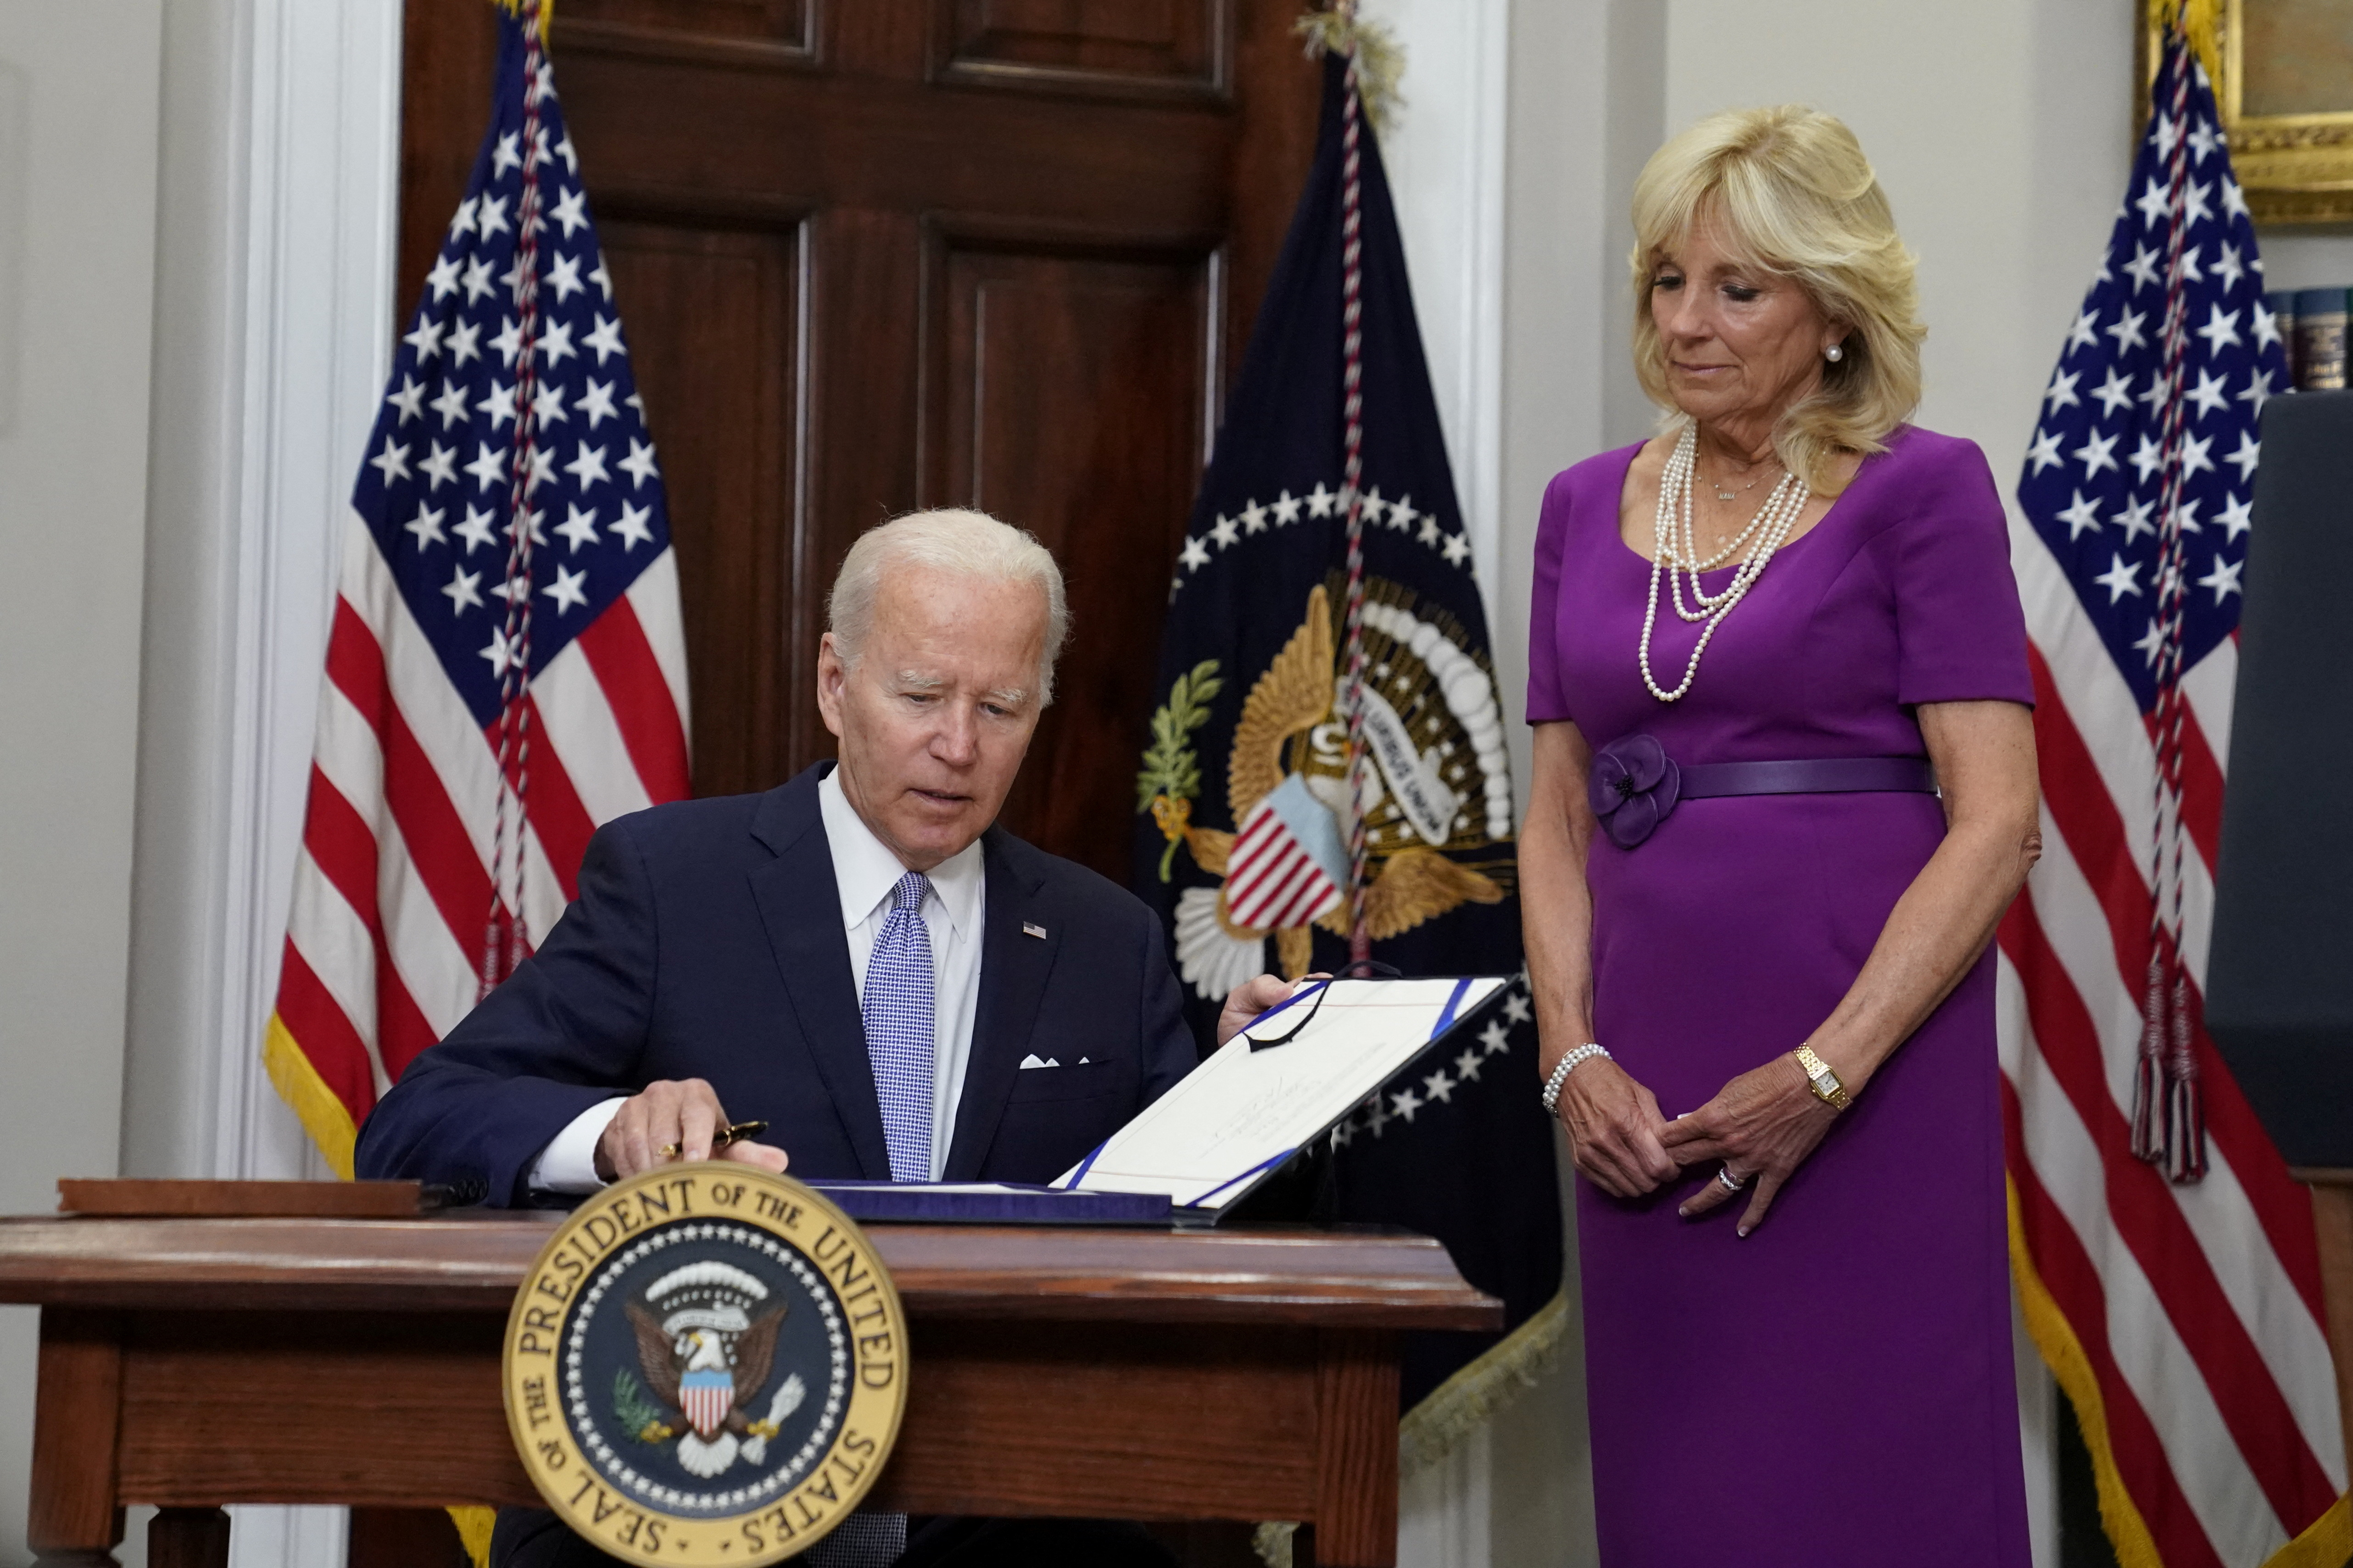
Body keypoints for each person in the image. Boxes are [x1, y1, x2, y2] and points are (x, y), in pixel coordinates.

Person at [357, 508, 1292, 1568]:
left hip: (1001, 1515)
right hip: (695, 1488)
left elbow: (1184, 1219)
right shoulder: (671, 884)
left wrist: (1247, 1080)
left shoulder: (1101, 937)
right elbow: (416, 1120)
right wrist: (613, 1130)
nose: (958, 745)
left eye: (1000, 705)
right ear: (834, 683)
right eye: (922, 695)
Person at [1519, 106, 2041, 1565]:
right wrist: (1570, 1054)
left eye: (1737, 289)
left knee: (1880, 1482)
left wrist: (1826, 1070)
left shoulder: (1921, 490)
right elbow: (1555, 811)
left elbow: (1998, 821)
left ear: (1833, 311)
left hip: (1867, 1075)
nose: (1689, 322)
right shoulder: (1579, 503)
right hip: (1644, 1094)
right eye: (1667, 283)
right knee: (1686, 1495)